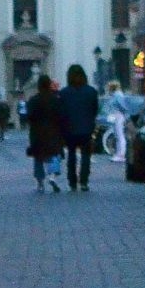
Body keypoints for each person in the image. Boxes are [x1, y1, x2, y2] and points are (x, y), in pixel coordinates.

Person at [56, 64, 101, 192]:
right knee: (86, 156)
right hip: (86, 128)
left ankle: (72, 182)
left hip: (69, 129)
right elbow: (95, 110)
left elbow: (61, 113)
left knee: (71, 155)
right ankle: (84, 181)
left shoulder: (64, 93)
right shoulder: (91, 91)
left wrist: (62, 129)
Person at [23, 74, 65, 192]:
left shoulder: (33, 100)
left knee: (38, 157)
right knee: (55, 155)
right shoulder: (56, 100)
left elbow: (29, 117)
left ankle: (40, 181)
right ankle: (52, 176)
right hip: (53, 131)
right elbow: (61, 116)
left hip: (37, 132)